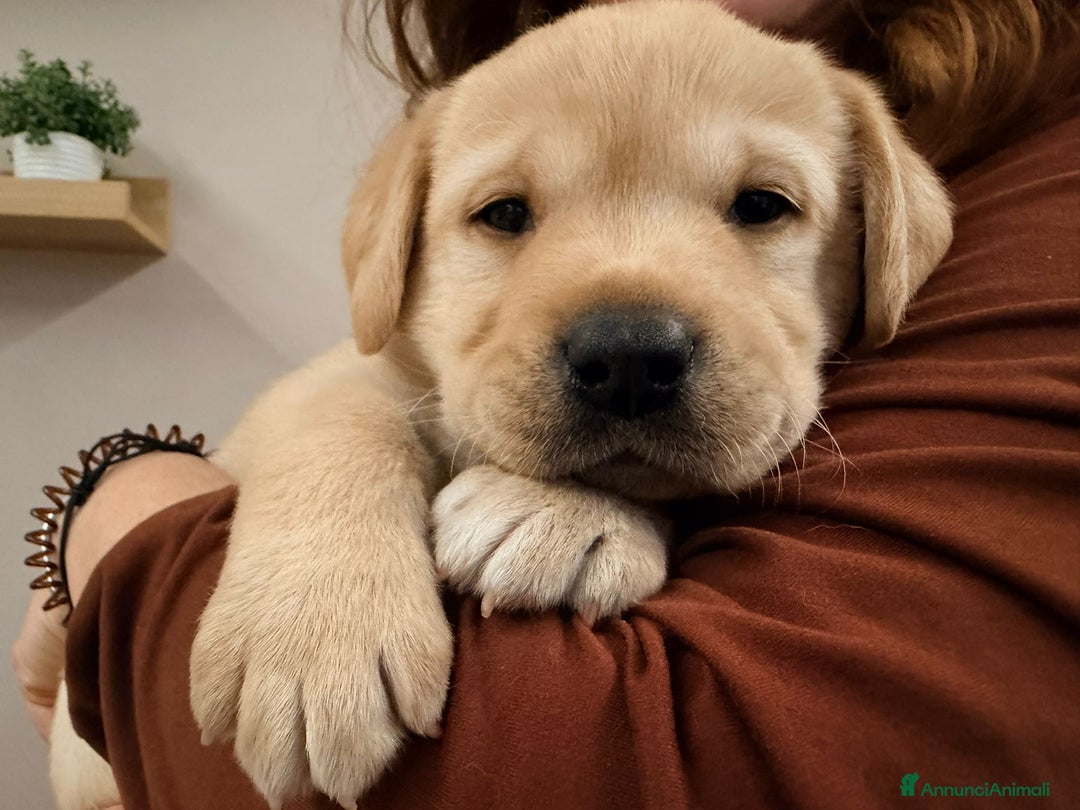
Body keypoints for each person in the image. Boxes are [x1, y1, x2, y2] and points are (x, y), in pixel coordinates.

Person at [13, 1, 1079, 808]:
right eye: (506, 212)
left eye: (762, 204)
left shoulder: (1026, 198)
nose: (626, 339)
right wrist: (322, 513)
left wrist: (117, 504)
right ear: (399, 253)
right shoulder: (401, 359)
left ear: (883, 243)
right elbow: (349, 383)